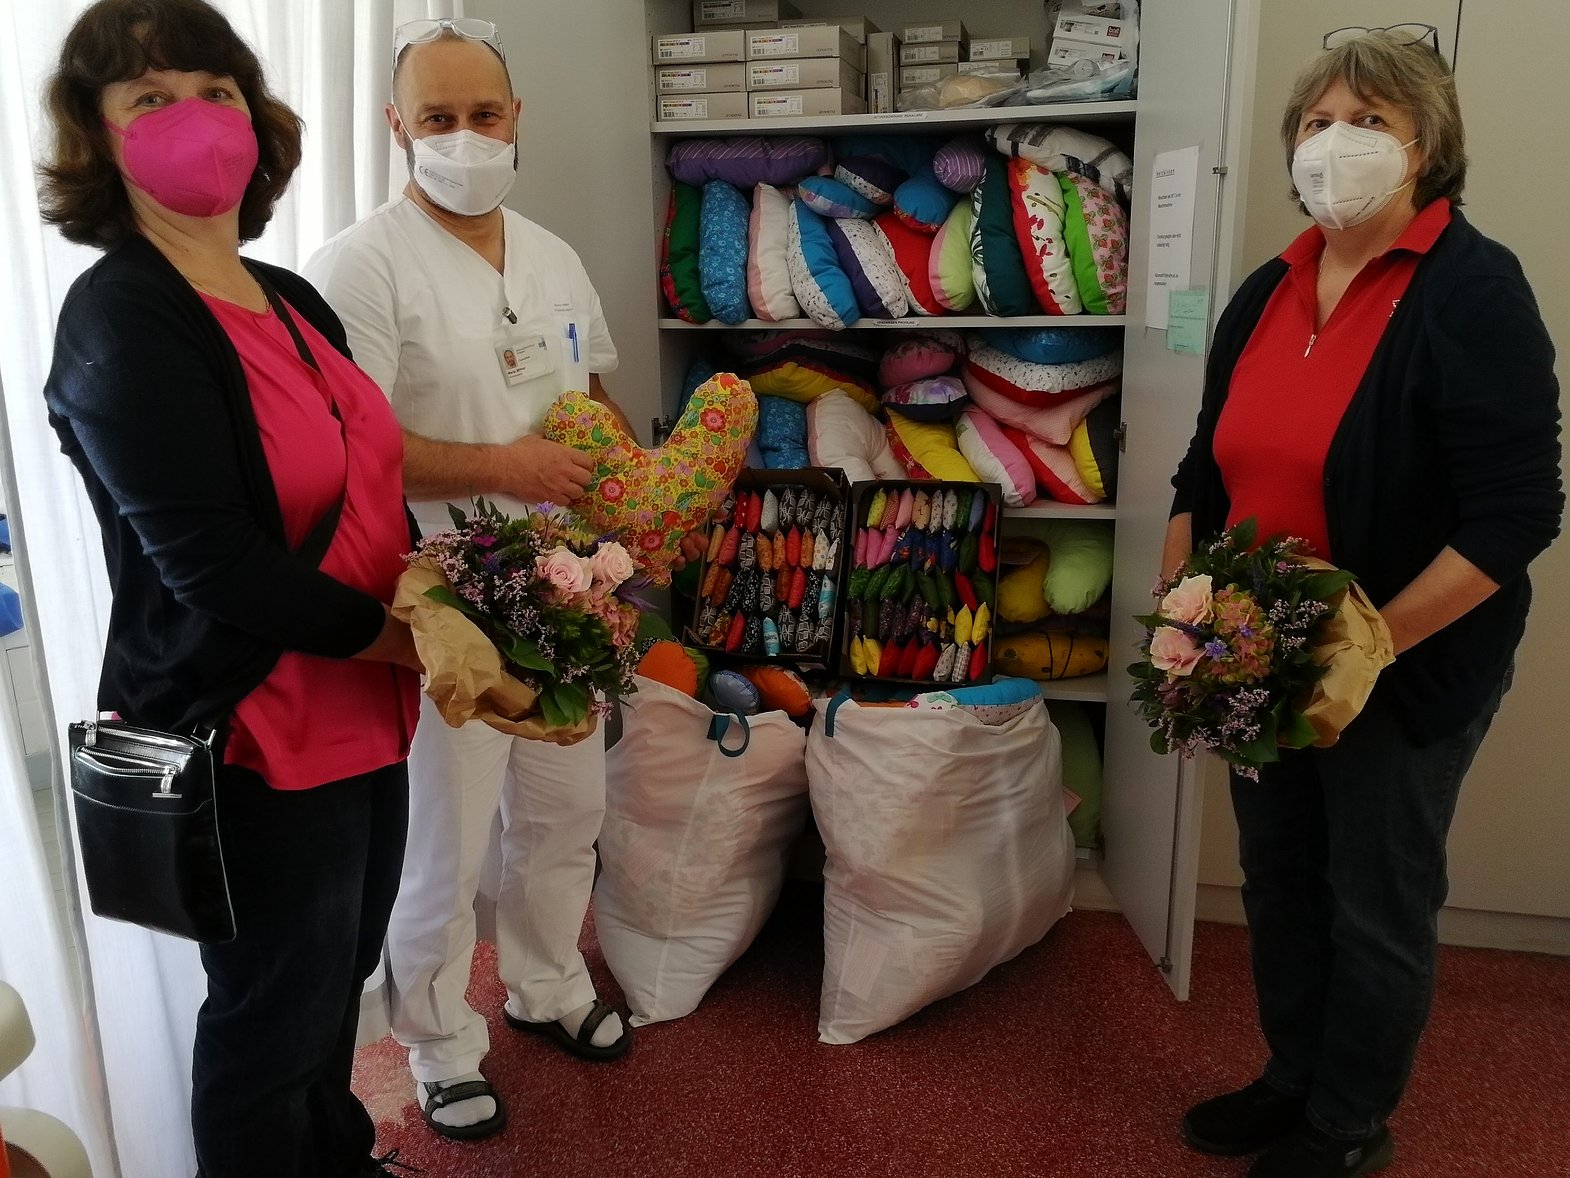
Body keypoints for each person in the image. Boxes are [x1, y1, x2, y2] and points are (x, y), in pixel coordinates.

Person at [1165, 27, 1561, 1178]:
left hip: (1405, 661)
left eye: (1368, 122)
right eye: (1316, 121)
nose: (1332, 143)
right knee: (1280, 878)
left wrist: (1366, 642)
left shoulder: (1470, 290)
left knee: (1373, 896)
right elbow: (1203, 466)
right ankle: (1293, 1074)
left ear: (1425, 147)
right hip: (1255, 651)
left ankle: (1347, 1121)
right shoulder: (1268, 285)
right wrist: (1184, 607)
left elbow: (1516, 513)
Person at [39, 2, 424, 1175]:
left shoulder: (291, 298)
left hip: (363, 708)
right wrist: (407, 637)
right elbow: (211, 561)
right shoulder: (121, 316)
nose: (195, 117)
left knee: (335, 987)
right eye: (150, 98)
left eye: (215, 90)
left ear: (256, 121)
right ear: (100, 137)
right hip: (256, 729)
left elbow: (368, 482)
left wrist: (450, 602)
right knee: (270, 1024)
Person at [305, 17, 703, 1142]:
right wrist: (504, 468)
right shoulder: (361, 265)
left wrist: (640, 505)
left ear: (517, 117)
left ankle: (547, 983)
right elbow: (348, 447)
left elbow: (594, 401)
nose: (465, 138)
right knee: (449, 840)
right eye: (438, 118)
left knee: (567, 814)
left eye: (484, 114)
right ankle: (438, 1043)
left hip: (572, 588)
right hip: (449, 600)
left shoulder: (551, 255)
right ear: (398, 127)